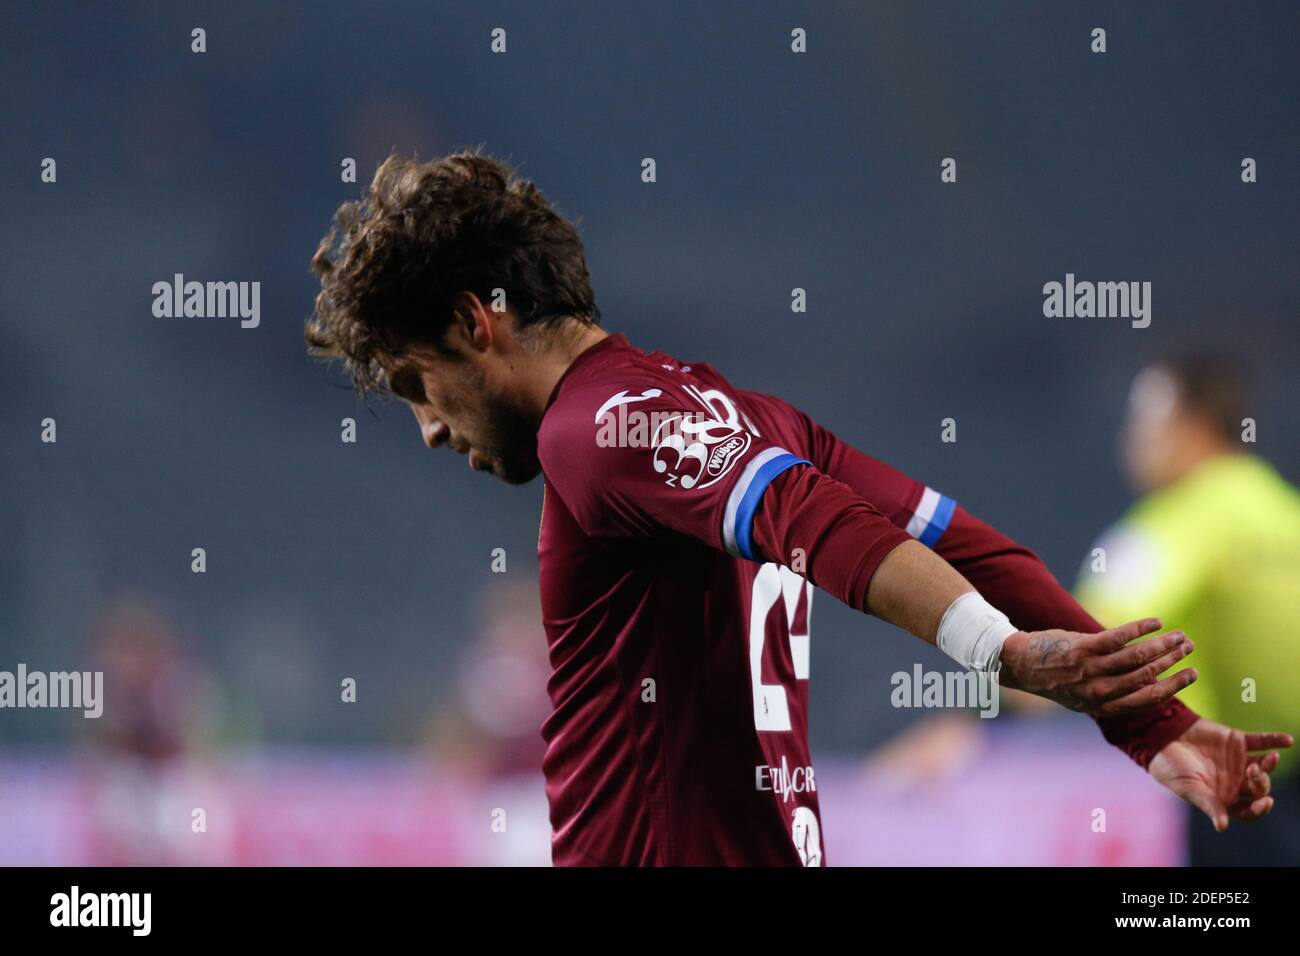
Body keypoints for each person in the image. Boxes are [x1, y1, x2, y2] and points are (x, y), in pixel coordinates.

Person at [304, 149, 1289, 866]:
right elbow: (952, 535)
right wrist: (1151, 724)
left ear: (479, 321)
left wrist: (1004, 653)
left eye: (414, 383)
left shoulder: (595, 428)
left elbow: (817, 524)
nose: (430, 428)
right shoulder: (743, 412)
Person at [1076, 356, 1300, 864]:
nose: (1130, 441)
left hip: (1238, 804)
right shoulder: (1285, 512)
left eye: (1145, 422)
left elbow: (1083, 638)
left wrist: (978, 712)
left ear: (1196, 428)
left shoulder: (1179, 522)